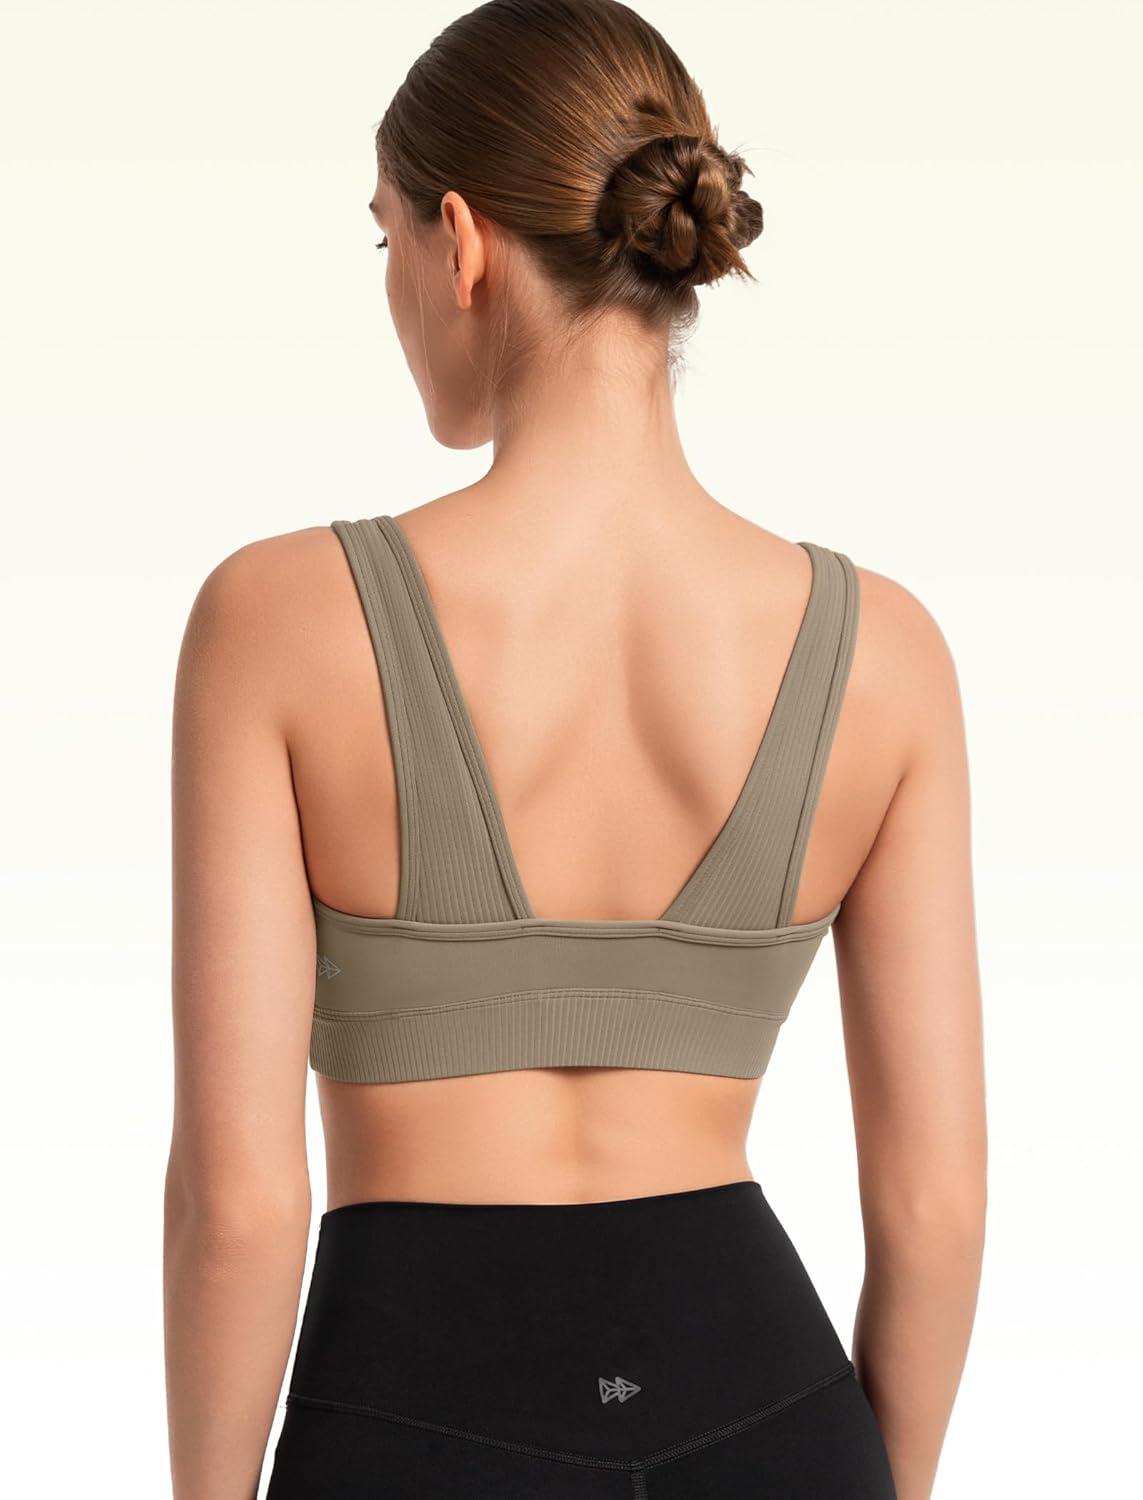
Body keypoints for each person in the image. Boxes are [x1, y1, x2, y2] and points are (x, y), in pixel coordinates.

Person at [162, 2, 987, 1496]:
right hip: (771, 1415)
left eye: (383, 239)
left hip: (409, 1416)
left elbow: (239, 1203)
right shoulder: (886, 651)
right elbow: (934, 1203)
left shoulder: (278, 620)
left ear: (460, 244)